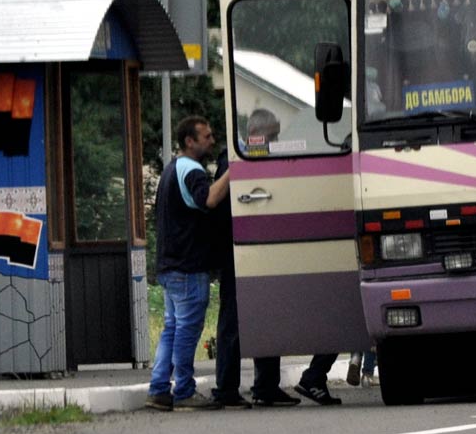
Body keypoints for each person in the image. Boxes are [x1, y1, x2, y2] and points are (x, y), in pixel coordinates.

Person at [211, 108, 343, 408]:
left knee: (268, 314)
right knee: (234, 318)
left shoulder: (257, 157)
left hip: (265, 243)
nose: (276, 140)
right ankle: (226, 387)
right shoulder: (232, 160)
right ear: (254, 134)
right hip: (240, 248)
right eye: (272, 135)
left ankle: (266, 385)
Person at [147, 116, 231, 412]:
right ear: (189, 141)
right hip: (189, 267)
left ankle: (159, 388)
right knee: (186, 330)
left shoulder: (172, 169)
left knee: (171, 328)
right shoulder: (193, 171)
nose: (211, 140)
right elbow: (208, 199)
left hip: (170, 266)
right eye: (206, 136)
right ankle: (183, 390)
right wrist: (234, 170)